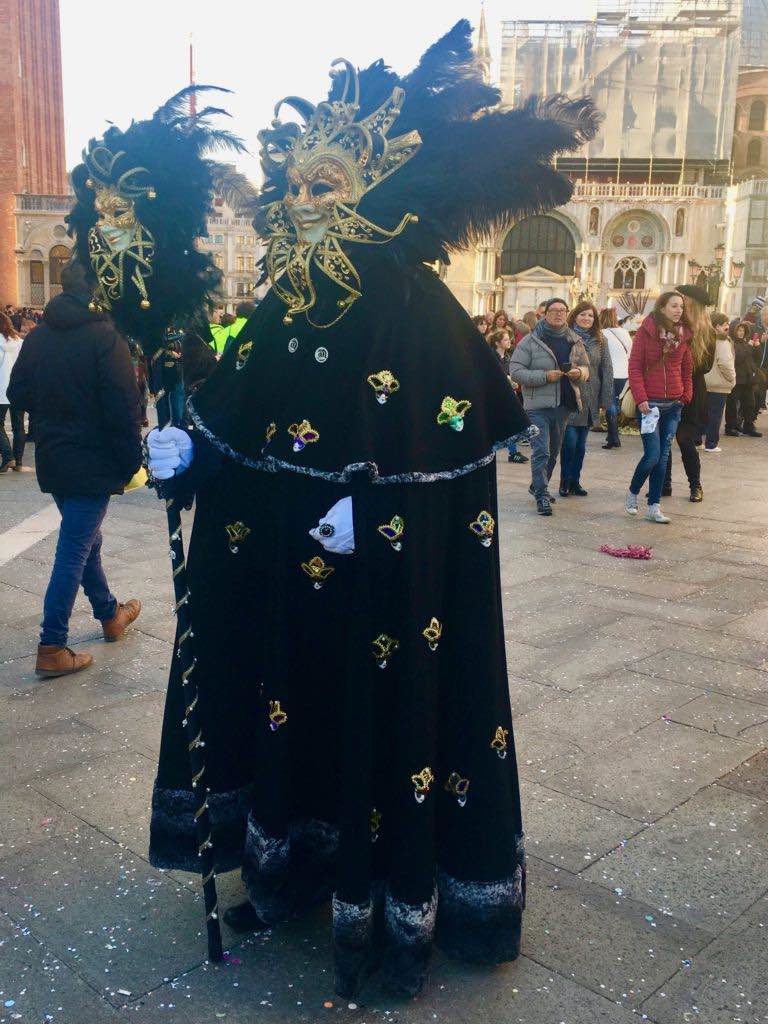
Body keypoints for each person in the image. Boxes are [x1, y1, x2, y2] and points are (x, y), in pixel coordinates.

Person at [144, 21, 598, 998]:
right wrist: (186, 451)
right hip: (285, 580)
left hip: (390, 591)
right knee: (290, 711)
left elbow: (441, 452)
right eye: (295, 187)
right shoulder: (284, 303)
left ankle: (385, 901)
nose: (303, 206)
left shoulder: (420, 306)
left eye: (327, 187)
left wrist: (375, 514)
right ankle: (291, 868)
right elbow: (233, 417)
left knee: (372, 718)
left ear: (379, 189)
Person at [7, 259, 143, 678]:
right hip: (93, 460)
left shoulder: (39, 337)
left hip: (53, 456)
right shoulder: (105, 338)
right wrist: (130, 461)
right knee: (74, 548)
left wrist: (55, 408)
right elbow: (124, 406)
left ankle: (109, 614)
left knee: (86, 541)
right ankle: (51, 644)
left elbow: (17, 391)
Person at [509, 297, 590, 516]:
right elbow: (516, 371)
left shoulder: (574, 340)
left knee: (554, 452)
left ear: (567, 313)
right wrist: (545, 376)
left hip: (563, 404)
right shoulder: (531, 340)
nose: (558, 314)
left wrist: (579, 373)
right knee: (541, 451)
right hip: (537, 406)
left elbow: (586, 368)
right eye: (553, 310)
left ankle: (537, 485)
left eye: (562, 310)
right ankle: (542, 495)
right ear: (544, 314)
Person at [625, 291, 693, 523]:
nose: (679, 310)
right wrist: (641, 397)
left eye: (681, 307)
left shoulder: (683, 335)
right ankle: (633, 492)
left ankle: (654, 506)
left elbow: (686, 367)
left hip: (674, 405)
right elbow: (634, 367)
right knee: (652, 455)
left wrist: (686, 394)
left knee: (663, 457)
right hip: (649, 406)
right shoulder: (646, 332)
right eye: (674, 306)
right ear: (662, 307)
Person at [662, 285, 715, 503]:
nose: (680, 305)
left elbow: (706, 366)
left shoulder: (707, 332)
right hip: (668, 389)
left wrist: (682, 365)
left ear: (693, 304)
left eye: (684, 301)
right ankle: (664, 484)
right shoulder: (672, 326)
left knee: (684, 439)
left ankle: (695, 485)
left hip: (692, 391)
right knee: (664, 439)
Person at [559, 301, 612, 497]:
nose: (587, 318)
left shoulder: (601, 339)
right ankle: (564, 481)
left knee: (581, 445)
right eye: (583, 315)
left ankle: (575, 481)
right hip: (572, 394)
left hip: (591, 396)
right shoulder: (566, 336)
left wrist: (606, 399)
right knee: (570, 441)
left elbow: (606, 368)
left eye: (590, 316)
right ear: (575, 316)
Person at [488, 327, 528, 464]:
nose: (509, 341)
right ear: (498, 343)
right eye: (505, 339)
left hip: (507, 394)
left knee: (510, 422)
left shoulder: (508, 357)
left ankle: (513, 452)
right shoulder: (491, 356)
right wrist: (508, 380)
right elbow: (494, 375)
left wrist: (513, 381)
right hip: (494, 395)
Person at [599, 307, 631, 449]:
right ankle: (612, 435)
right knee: (614, 401)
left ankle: (614, 437)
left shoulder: (601, 333)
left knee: (610, 404)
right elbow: (630, 352)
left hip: (608, 373)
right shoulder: (624, 333)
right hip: (623, 373)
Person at [703, 312, 736, 452]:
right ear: (717, 326)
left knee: (702, 414)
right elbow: (725, 363)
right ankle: (711, 444)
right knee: (715, 416)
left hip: (704, 382)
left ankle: (697, 441)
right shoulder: (722, 341)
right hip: (718, 384)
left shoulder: (704, 338)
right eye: (725, 324)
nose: (728, 326)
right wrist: (732, 379)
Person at [725, 321, 761, 437]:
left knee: (750, 403)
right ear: (734, 331)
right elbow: (738, 358)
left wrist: (757, 346)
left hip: (748, 380)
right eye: (739, 330)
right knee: (732, 404)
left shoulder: (746, 343)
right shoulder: (731, 343)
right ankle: (730, 427)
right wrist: (750, 347)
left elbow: (757, 358)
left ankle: (748, 426)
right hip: (737, 379)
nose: (741, 333)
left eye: (742, 331)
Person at [0, 311, 25, 472]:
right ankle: (18, 461)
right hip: (18, 387)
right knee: (18, 426)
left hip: (1, 388)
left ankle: (8, 456)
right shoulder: (19, 341)